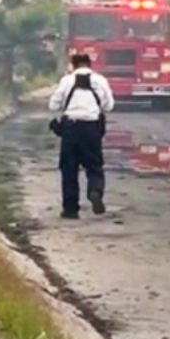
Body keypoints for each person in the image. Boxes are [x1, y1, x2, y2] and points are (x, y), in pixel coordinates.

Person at [49, 53, 114, 218]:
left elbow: (53, 105)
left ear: (73, 64)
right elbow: (109, 105)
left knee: (69, 169)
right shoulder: (100, 80)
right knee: (94, 166)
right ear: (89, 64)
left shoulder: (67, 80)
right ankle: (95, 191)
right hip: (92, 129)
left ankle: (71, 209)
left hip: (71, 129)